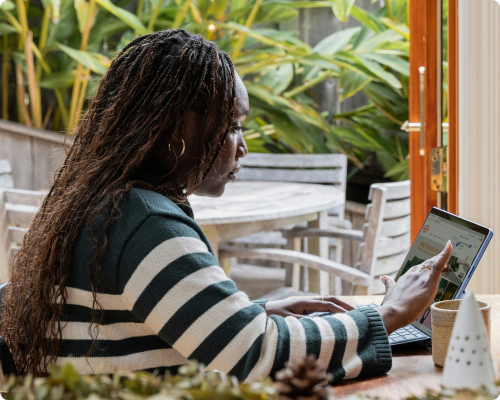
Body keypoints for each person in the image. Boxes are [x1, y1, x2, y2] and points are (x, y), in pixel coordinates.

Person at [0, 29, 452, 381]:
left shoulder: (107, 201)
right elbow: (255, 355)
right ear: (178, 130)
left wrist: (251, 313)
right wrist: (389, 314)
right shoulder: (145, 223)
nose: (243, 147)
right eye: (233, 126)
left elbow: (178, 328)